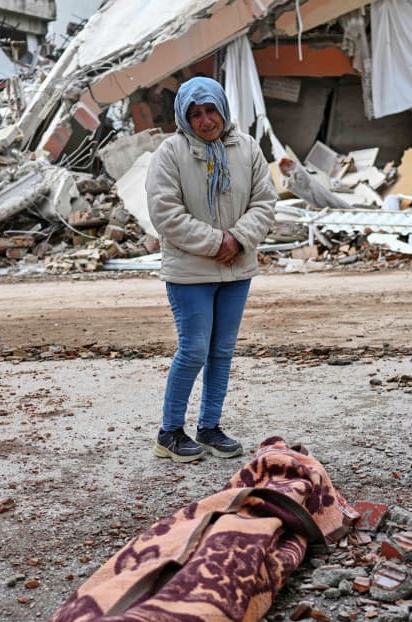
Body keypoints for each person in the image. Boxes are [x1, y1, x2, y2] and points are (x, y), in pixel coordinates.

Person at [145, 77, 277, 463]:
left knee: (221, 351)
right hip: (189, 272)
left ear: (223, 109)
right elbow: (165, 213)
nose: (206, 121)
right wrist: (217, 242)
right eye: (196, 114)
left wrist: (237, 239)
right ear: (184, 118)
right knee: (193, 350)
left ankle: (209, 427)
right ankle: (169, 433)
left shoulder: (247, 149)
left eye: (211, 111)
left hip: (236, 269)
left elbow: (265, 202)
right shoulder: (170, 154)